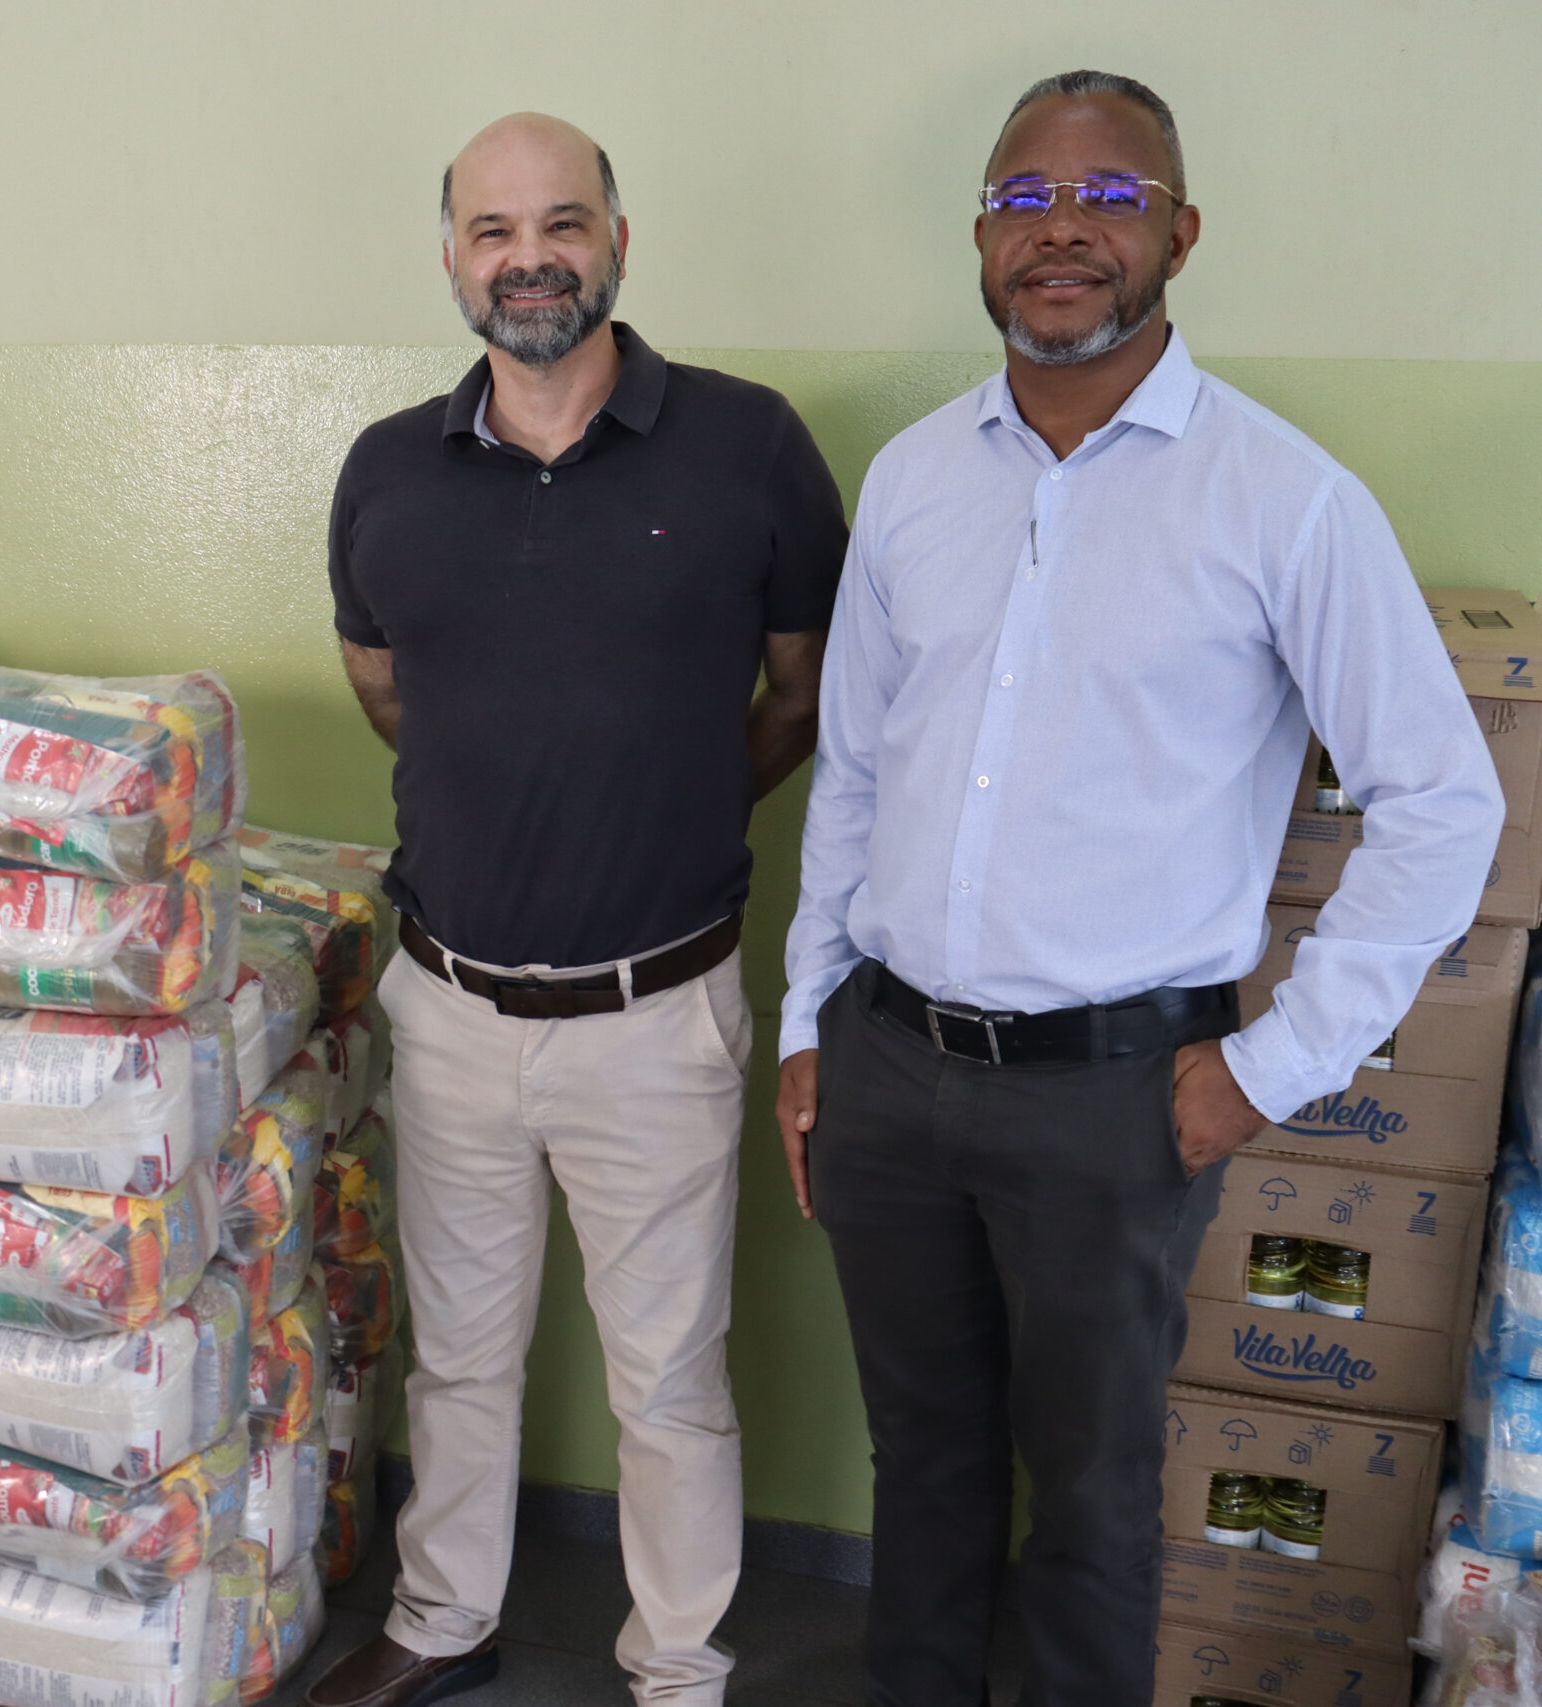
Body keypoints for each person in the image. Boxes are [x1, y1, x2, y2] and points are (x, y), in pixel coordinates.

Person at [774, 70, 1505, 1705]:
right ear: (981, 234)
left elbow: (1444, 805)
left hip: (1112, 1105)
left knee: (1093, 1512)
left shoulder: (1284, 501)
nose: (1063, 230)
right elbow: (857, 775)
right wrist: (808, 1027)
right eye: (1024, 197)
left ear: (1181, 233)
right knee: (925, 1474)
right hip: (889, 1070)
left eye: (1108, 197)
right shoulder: (911, 481)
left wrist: (1269, 1068)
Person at [305, 112, 849, 1707]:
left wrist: (671, 801)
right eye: (494, 230)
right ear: (453, 258)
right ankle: (441, 1619)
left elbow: (806, 693)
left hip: (654, 1017)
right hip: (447, 1005)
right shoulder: (387, 469)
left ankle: (677, 1667)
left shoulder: (749, 445)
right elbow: (388, 689)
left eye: (561, 223)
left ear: (617, 241)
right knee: (460, 1356)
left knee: (667, 1378)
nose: (528, 257)